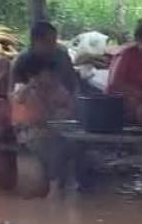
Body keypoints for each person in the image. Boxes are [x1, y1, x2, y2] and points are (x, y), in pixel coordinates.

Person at [12, 53, 88, 195]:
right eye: (47, 73)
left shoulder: (55, 88)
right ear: (35, 74)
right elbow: (19, 98)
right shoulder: (23, 88)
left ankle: (76, 188)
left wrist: (62, 112)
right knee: (55, 146)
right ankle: (54, 188)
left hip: (53, 131)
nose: (52, 76)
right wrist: (31, 85)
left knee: (74, 146)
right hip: (28, 135)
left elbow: (70, 107)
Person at [13, 20, 80, 96]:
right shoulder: (21, 61)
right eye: (48, 41)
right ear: (35, 42)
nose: (53, 46)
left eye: (54, 41)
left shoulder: (61, 57)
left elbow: (72, 86)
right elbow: (14, 94)